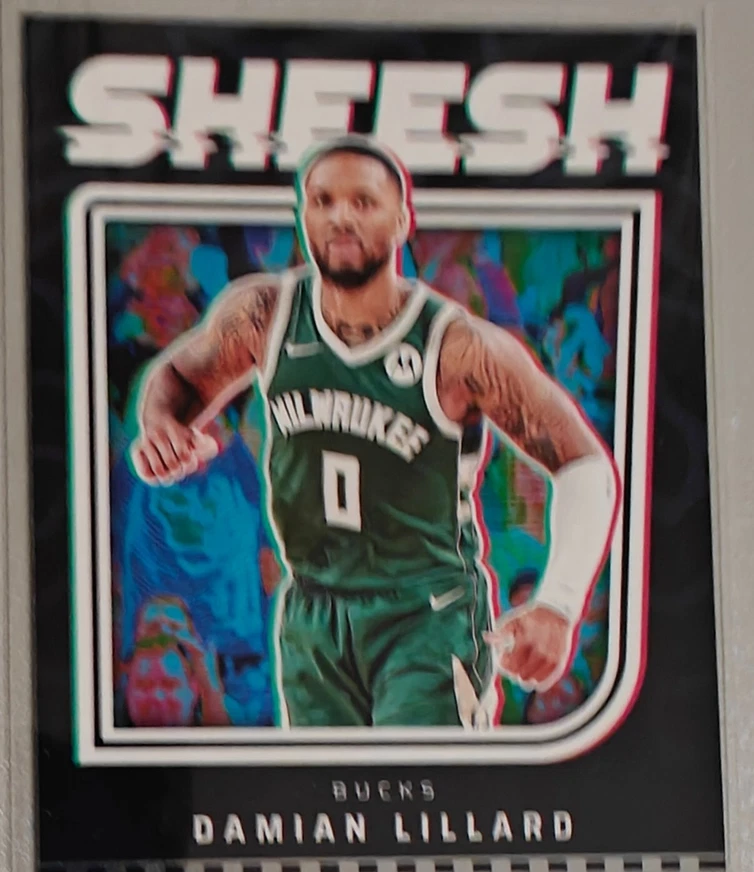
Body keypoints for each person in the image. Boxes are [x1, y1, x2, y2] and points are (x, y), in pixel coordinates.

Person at [130, 134, 619, 730]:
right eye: (323, 201)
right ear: (303, 215)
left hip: (427, 613)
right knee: (326, 789)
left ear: (403, 220)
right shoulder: (262, 315)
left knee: (424, 782)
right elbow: (177, 376)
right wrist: (162, 425)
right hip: (312, 611)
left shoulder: (458, 347)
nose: (340, 217)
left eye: (363, 202)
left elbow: (584, 465)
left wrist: (559, 604)